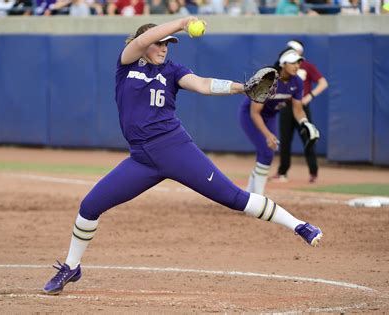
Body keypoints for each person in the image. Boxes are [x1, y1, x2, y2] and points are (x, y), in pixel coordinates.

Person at [43, 17, 323, 295]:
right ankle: (71, 266)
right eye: (159, 43)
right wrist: (180, 23)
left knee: (235, 198)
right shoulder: (127, 65)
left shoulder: (173, 71)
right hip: (141, 160)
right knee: (90, 206)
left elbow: (202, 84)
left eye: (168, 45)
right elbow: (140, 41)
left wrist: (241, 87)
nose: (164, 48)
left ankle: (299, 225)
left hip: (175, 149)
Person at [239, 50, 317, 195]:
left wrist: (306, 123)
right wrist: (268, 135)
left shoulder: (297, 81)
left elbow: (298, 110)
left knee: (267, 152)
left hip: (270, 116)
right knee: (266, 151)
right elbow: (255, 112)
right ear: (283, 64)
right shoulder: (269, 80)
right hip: (251, 115)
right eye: (293, 62)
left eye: (299, 62)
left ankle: (249, 196)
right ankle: (259, 198)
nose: (297, 66)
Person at [273, 40, 328, 184]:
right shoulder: (283, 68)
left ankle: (313, 172)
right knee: (285, 140)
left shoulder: (307, 66)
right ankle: (282, 172)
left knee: (308, 137)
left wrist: (310, 96)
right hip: (286, 105)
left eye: (293, 49)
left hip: (301, 106)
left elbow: (323, 83)